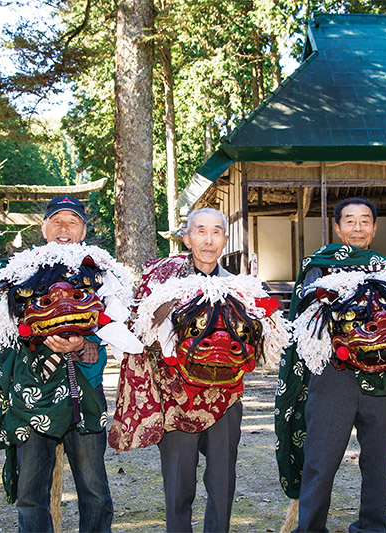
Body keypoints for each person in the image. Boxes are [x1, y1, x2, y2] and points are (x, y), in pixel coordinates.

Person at [275, 198, 386, 533]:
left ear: (374, 227)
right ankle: (309, 527)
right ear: (337, 228)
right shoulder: (319, 265)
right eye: (350, 221)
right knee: (320, 461)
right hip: (333, 378)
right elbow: (305, 316)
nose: (358, 228)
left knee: (377, 461)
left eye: (365, 220)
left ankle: (373, 527)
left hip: (383, 377)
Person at [110, 208, 290, 532]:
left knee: (222, 484)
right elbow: (142, 330)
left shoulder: (240, 288)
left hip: (227, 398)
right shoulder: (165, 282)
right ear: (188, 237)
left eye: (216, 232)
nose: (209, 239)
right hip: (176, 400)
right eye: (201, 231)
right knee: (179, 487)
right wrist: (169, 303)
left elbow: (263, 344)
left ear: (224, 238)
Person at [0, 195, 136, 533]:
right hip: (32, 394)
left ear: (83, 230)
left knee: (95, 491)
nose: (63, 228)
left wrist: (84, 342)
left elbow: (120, 325)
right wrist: (34, 335)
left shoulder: (101, 271)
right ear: (43, 227)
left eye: (71, 222)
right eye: (56, 221)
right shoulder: (17, 271)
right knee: (31, 493)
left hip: (83, 392)